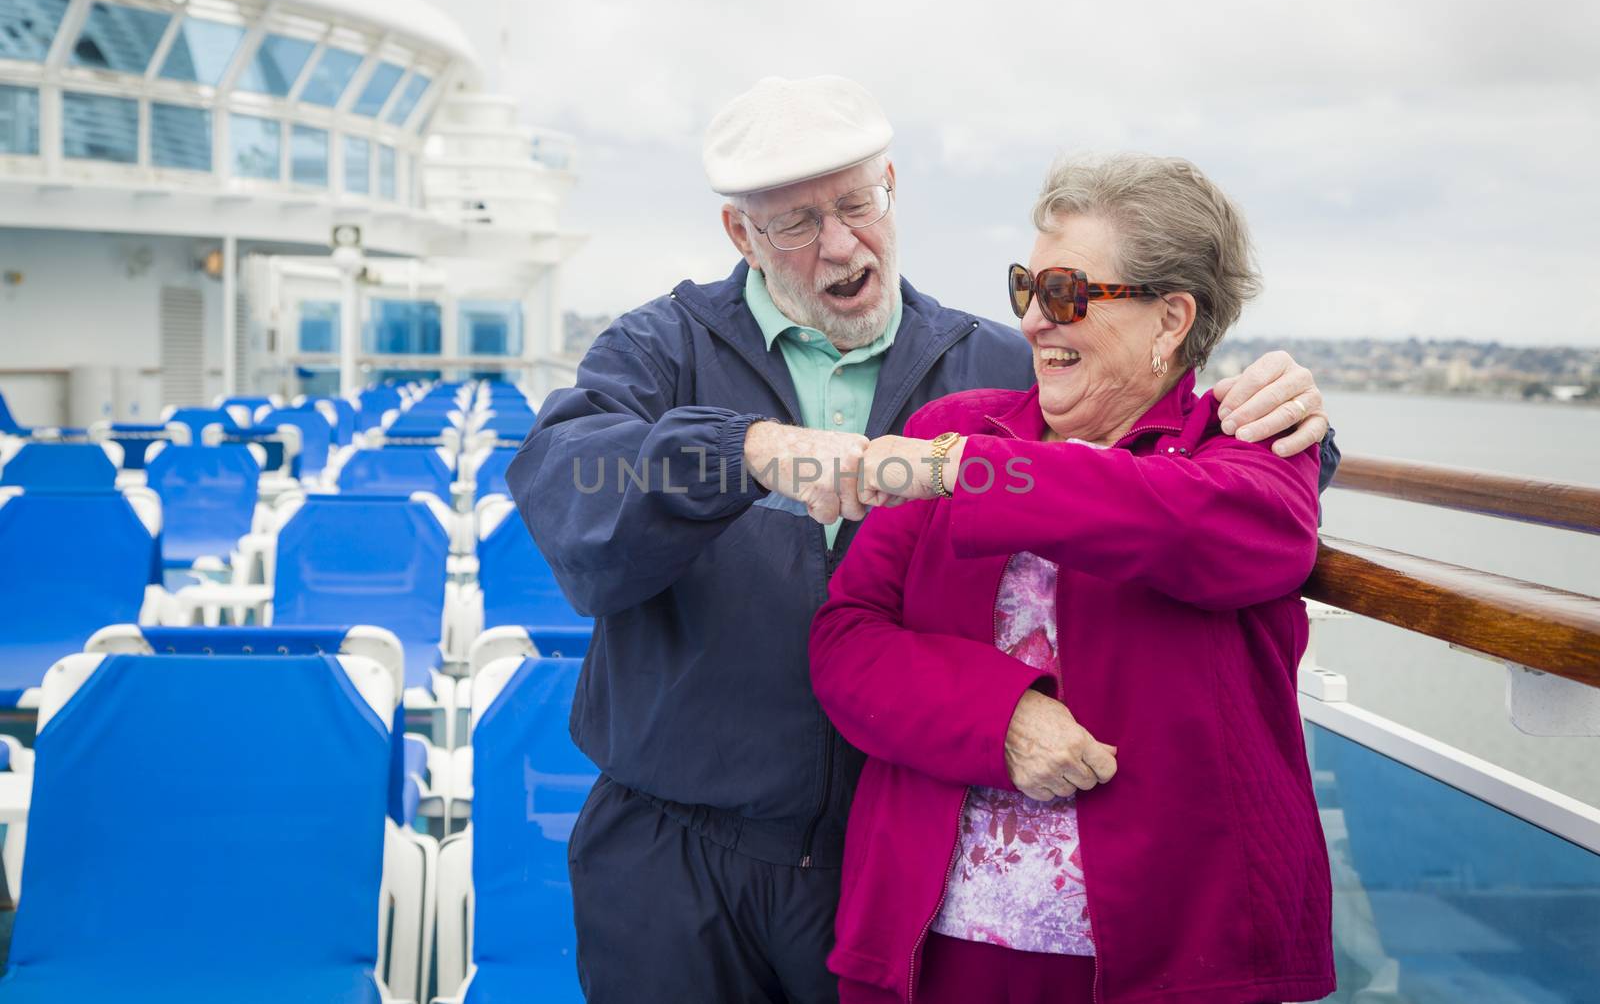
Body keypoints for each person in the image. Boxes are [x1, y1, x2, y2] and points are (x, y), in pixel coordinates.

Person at [508, 77, 1335, 1003]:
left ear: (891, 188)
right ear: (741, 235)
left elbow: (1179, 470)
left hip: (869, 863)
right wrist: (744, 450)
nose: (840, 243)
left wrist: (1296, 426)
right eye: (794, 223)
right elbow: (568, 483)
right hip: (675, 855)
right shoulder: (662, 349)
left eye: (857, 204)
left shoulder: (985, 376)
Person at [809, 152, 1336, 1004]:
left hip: (1176, 959)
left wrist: (964, 474)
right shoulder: (956, 428)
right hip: (934, 946)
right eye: (1026, 287)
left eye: (1063, 294)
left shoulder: (1247, 447)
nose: (1030, 322)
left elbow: (1232, 530)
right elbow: (847, 642)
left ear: (1170, 319)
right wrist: (998, 715)